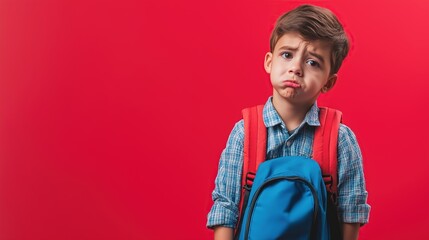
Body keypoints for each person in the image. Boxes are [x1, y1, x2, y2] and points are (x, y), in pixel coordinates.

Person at [206, 4, 371, 240]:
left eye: (313, 62)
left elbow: (351, 211)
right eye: (287, 55)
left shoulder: (340, 138)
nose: (296, 68)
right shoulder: (245, 132)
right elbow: (225, 207)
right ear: (269, 62)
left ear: (328, 82)